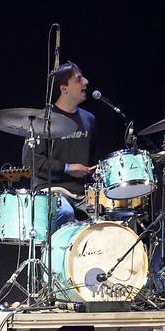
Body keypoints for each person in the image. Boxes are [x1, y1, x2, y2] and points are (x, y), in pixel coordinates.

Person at [25, 62, 96, 227]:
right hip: (51, 191)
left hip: (82, 195)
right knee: (65, 212)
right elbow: (31, 161)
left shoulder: (89, 120)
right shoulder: (43, 120)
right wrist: (67, 168)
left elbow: (91, 158)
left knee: (106, 220)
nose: (85, 82)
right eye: (79, 79)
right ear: (64, 89)